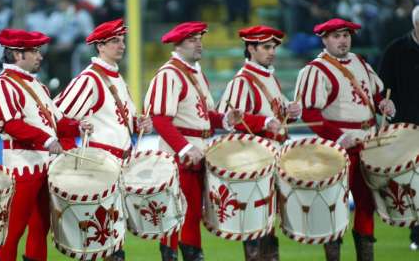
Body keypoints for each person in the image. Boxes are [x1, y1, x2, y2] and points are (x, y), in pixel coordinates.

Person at [144, 21, 272, 261]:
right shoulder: (169, 74)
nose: (199, 44)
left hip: (199, 151)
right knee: (178, 212)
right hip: (179, 155)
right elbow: (160, 119)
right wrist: (184, 147)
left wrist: (225, 119)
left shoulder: (196, 72)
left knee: (191, 214)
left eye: (200, 39)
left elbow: (203, 117)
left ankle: (192, 255)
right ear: (178, 44)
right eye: (192, 40)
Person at [295, 18, 396, 261]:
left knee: (365, 205)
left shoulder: (360, 62)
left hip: (369, 144)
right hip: (338, 149)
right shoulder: (315, 70)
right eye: (337, 36)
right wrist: (339, 137)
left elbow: (376, 94)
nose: (343, 40)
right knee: (335, 209)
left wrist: (384, 103)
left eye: (346, 35)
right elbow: (310, 113)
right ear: (324, 39)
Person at [0, 29, 92, 261]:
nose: (40, 56)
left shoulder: (39, 86)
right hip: (22, 165)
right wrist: (47, 140)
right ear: (16, 54)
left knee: (40, 227)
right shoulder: (3, 85)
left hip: (44, 164)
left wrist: (78, 127)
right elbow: (10, 124)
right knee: (12, 230)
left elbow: (56, 122)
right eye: (34, 51)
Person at [55, 18, 152, 261]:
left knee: (112, 234)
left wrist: (138, 123)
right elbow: (58, 117)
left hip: (118, 164)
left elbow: (122, 120)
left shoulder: (116, 77)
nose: (121, 45)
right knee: (103, 236)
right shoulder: (89, 78)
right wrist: (70, 154)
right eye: (114, 41)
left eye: (122, 41)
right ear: (100, 46)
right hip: (99, 164)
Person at [217, 25, 301, 260]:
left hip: (272, 156)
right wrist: (264, 122)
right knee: (255, 221)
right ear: (251, 48)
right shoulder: (243, 81)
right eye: (266, 47)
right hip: (253, 160)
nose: (272, 51)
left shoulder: (268, 77)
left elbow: (279, 113)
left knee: (267, 220)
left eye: (274, 47)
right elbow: (229, 117)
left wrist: (292, 111)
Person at [378, 5, 419, 251]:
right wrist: (386, 106)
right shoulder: (396, 50)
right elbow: (383, 89)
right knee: (415, 186)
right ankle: (417, 234)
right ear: (416, 25)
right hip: (407, 129)